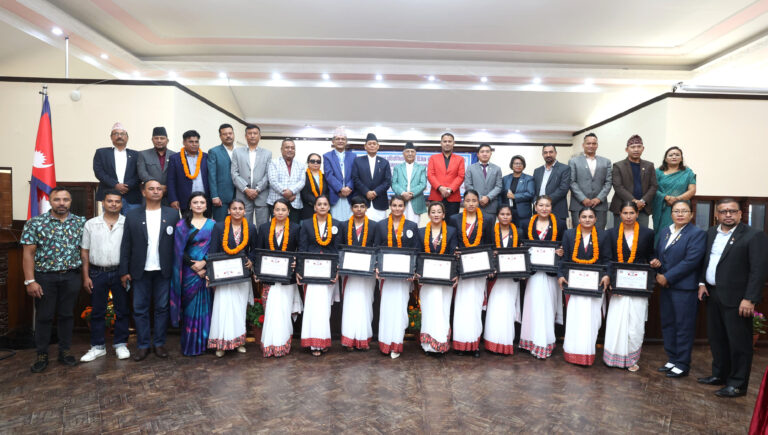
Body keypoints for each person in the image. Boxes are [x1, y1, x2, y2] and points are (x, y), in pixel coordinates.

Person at [697, 198, 768, 397]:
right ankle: (719, 375)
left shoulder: (754, 235)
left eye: (732, 211)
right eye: (723, 211)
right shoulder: (711, 233)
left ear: (740, 214)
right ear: (717, 215)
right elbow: (706, 261)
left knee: (739, 343)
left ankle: (737, 384)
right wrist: (702, 283)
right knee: (717, 339)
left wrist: (750, 298)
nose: (728, 215)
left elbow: (759, 270)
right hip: (713, 294)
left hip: (739, 299)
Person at [21, 186, 86, 373]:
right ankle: (42, 354)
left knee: (67, 315)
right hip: (45, 278)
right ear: (50, 201)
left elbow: (85, 251)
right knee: (44, 316)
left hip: (71, 276)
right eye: (57, 199)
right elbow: (28, 254)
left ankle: (64, 351)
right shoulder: (35, 223)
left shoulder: (80, 222)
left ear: (70, 202)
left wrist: (85, 276)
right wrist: (30, 281)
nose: (61, 203)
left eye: (65, 199)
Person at [120, 179, 180, 361]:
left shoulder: (172, 214)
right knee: (140, 309)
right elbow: (126, 245)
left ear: (163, 192)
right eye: (151, 189)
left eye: (159, 189)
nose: (155, 191)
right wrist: (124, 270)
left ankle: (159, 343)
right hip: (140, 271)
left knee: (162, 308)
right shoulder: (132, 215)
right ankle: (143, 345)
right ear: (143, 192)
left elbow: (177, 244)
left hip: (164, 270)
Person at [654, 200, 706, 378]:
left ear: (691, 214)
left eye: (684, 211)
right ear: (671, 214)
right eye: (676, 211)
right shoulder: (665, 232)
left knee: (683, 326)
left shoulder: (697, 234)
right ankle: (672, 358)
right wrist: (657, 267)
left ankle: (682, 363)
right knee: (668, 323)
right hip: (666, 287)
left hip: (684, 288)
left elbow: (691, 261)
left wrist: (667, 277)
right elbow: (661, 255)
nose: (680, 214)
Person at [603, 201, 657, 371]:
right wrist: (611, 280)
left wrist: (654, 261)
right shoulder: (610, 233)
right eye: (625, 213)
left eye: (631, 213)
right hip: (618, 285)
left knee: (635, 323)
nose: (628, 216)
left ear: (637, 214)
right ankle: (613, 357)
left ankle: (632, 359)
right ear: (619, 214)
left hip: (638, 285)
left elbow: (650, 255)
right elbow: (608, 259)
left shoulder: (648, 233)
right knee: (616, 322)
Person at [79, 190, 131, 362]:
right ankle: (98, 347)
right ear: (103, 203)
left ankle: (121, 344)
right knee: (97, 311)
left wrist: (127, 272)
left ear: (121, 204)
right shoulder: (91, 224)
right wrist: (86, 276)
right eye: (110, 201)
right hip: (97, 272)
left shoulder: (127, 223)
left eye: (117, 201)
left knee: (122, 310)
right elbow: (84, 251)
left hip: (120, 272)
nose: (113, 204)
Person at [558, 207, 612, 366]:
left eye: (590, 217)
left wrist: (607, 275)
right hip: (574, 284)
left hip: (595, 285)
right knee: (575, 318)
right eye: (584, 216)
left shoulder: (603, 235)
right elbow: (564, 258)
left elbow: (608, 259)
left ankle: (587, 354)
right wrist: (560, 275)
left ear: (596, 219)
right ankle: (572, 353)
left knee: (591, 320)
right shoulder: (569, 234)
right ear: (578, 218)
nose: (587, 220)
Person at [208, 199, 260, 357]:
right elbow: (213, 250)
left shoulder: (251, 227)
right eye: (234, 208)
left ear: (245, 211)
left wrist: (251, 260)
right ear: (228, 210)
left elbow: (255, 249)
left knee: (239, 308)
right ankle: (221, 344)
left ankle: (239, 342)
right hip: (223, 274)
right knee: (222, 307)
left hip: (242, 274)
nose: (237, 211)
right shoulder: (219, 227)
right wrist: (211, 273)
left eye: (240, 208)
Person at [448, 190, 495, 356]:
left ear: (478, 202)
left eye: (474, 200)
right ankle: (460, 345)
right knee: (461, 306)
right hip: (462, 269)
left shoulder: (487, 219)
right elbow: (452, 242)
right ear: (463, 202)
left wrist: (490, 266)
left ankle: (474, 344)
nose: (471, 204)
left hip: (479, 269)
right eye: (467, 200)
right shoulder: (455, 219)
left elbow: (490, 244)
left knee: (475, 306)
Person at [374, 195, 420, 358]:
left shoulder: (412, 226)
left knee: (400, 309)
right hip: (387, 277)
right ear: (390, 206)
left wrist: (412, 270)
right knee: (387, 309)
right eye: (394, 205)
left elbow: (416, 250)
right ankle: (385, 343)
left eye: (400, 205)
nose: (397, 208)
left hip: (403, 277)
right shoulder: (381, 225)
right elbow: (376, 248)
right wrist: (377, 267)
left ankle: (396, 344)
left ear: (404, 207)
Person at [519, 195, 564, 359]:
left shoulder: (560, 224)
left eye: (547, 206)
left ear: (551, 207)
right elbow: (522, 245)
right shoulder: (526, 223)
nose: (544, 209)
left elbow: (563, 245)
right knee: (533, 305)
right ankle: (531, 340)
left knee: (547, 306)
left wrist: (561, 251)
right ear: (535, 207)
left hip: (550, 274)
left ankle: (544, 342)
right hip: (533, 274)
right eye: (541, 205)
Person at [170, 192, 214, 356]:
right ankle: (191, 345)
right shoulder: (182, 225)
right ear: (189, 205)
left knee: (206, 308)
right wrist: (193, 265)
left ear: (206, 205)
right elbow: (178, 249)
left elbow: (215, 247)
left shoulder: (212, 224)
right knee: (189, 310)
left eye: (202, 202)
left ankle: (206, 344)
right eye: (195, 202)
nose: (199, 205)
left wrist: (205, 263)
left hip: (206, 271)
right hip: (188, 273)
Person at [256, 198, 302, 357]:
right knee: (271, 311)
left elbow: (300, 251)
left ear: (289, 211)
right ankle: (269, 345)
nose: (280, 212)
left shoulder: (296, 228)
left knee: (283, 311)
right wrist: (258, 272)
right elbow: (259, 251)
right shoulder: (264, 228)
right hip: (269, 277)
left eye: (283, 209)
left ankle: (282, 345)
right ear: (273, 211)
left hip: (287, 279)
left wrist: (296, 262)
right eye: (277, 209)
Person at [298, 195, 341, 356]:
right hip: (311, 272)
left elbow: (338, 250)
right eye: (319, 204)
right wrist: (300, 270)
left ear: (329, 207)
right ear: (315, 207)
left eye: (325, 204)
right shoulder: (306, 224)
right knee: (312, 306)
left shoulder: (336, 224)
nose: (322, 207)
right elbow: (302, 248)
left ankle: (322, 341)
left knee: (324, 308)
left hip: (328, 272)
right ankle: (311, 343)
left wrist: (336, 271)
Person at [417, 201, 458, 355]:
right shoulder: (421, 232)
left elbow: (454, 254)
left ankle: (441, 344)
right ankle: (428, 345)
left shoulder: (451, 231)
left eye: (439, 212)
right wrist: (417, 272)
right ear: (428, 214)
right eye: (433, 212)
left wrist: (455, 274)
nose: (436, 214)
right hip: (427, 279)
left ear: (444, 214)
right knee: (429, 310)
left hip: (445, 279)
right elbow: (417, 254)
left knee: (442, 309)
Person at [338, 196, 376, 350]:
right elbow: (340, 248)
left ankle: (362, 339)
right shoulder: (344, 226)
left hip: (367, 274)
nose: (359, 209)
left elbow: (376, 248)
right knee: (350, 304)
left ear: (366, 208)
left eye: (362, 206)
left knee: (365, 303)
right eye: (356, 206)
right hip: (350, 274)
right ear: (351, 208)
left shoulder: (374, 226)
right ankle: (349, 339)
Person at [483, 205, 521, 355]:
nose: (505, 217)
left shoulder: (518, 232)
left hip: (511, 278)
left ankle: (506, 343)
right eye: (502, 214)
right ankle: (491, 343)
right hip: (496, 278)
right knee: (495, 309)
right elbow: (486, 250)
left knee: (508, 309)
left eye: (508, 214)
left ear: (512, 216)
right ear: (497, 216)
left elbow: (522, 254)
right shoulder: (491, 232)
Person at [610, 135, 658, 227]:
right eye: (633, 147)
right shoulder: (618, 166)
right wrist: (634, 201)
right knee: (620, 234)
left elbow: (654, 186)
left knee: (642, 234)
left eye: (639, 147)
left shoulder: (649, 165)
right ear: (626, 149)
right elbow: (618, 187)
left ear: (643, 148)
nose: (636, 149)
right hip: (623, 207)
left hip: (642, 208)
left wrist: (642, 201)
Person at [93, 122, 141, 214]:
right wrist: (115, 185)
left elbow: (140, 174)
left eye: (122, 134)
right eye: (116, 134)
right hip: (109, 196)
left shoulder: (137, 154)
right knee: (110, 222)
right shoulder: (101, 153)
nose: (119, 136)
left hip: (132, 197)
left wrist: (127, 186)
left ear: (127, 137)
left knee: (132, 222)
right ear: (111, 137)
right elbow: (99, 172)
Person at [652, 146, 696, 244]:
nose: (674, 157)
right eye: (671, 155)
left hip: (681, 208)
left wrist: (677, 200)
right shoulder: (658, 172)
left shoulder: (688, 172)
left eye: (677, 155)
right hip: (663, 208)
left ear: (681, 158)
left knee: (681, 232)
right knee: (662, 233)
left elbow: (692, 190)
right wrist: (666, 197)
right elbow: (653, 188)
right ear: (665, 158)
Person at [568, 133, 612, 230]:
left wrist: (599, 198)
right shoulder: (574, 161)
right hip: (579, 204)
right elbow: (571, 181)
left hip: (600, 205)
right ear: (583, 145)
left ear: (597, 145)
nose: (591, 146)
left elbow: (608, 182)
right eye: (588, 143)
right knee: (578, 234)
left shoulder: (606, 162)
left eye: (594, 143)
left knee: (599, 234)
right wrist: (583, 199)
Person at [231, 124, 272, 226]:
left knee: (263, 226)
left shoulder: (267, 153)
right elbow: (234, 173)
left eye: (255, 133)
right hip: (243, 195)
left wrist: (257, 189)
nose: (252, 135)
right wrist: (246, 189)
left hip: (262, 195)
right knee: (244, 226)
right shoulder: (237, 152)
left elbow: (268, 174)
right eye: (249, 133)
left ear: (259, 136)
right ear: (245, 136)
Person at [351, 133, 392, 221]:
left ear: (378, 146)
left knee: (380, 227)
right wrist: (366, 192)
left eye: (374, 144)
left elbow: (387, 181)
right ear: (365, 146)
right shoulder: (357, 161)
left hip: (380, 202)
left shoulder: (384, 162)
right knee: (363, 226)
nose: (372, 146)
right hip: (362, 202)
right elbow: (355, 179)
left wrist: (375, 192)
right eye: (369, 144)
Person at [167, 130, 210, 211]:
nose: (194, 144)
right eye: (191, 142)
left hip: (205, 200)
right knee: (187, 219)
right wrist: (173, 199)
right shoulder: (175, 158)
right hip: (185, 200)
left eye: (196, 142)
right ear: (184, 142)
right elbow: (171, 180)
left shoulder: (206, 157)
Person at [427, 133, 465, 218]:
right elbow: (430, 175)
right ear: (441, 143)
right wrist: (440, 188)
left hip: (453, 197)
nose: (447, 143)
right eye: (445, 141)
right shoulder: (433, 158)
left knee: (452, 222)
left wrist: (450, 189)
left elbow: (461, 176)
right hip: (436, 196)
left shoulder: (460, 159)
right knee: (436, 222)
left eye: (449, 141)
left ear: (453, 143)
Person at [267, 139, 305, 222]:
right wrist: (286, 194)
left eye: (292, 148)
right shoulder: (273, 162)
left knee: (294, 228)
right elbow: (273, 181)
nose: (290, 150)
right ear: (281, 149)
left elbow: (302, 182)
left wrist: (291, 191)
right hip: (276, 202)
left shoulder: (301, 165)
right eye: (287, 147)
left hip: (294, 203)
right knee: (276, 228)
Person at [324, 127, 356, 222]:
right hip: (336, 194)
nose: (340, 141)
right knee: (335, 223)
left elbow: (355, 175)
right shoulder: (327, 156)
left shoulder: (353, 156)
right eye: (338, 139)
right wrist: (340, 189)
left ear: (346, 142)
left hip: (350, 194)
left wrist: (349, 187)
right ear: (333, 141)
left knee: (350, 223)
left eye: (343, 139)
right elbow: (329, 175)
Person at [137, 126, 175, 204]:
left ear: (167, 140)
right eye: (156, 138)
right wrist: (158, 186)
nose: (159, 140)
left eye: (162, 138)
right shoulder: (143, 154)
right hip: (150, 195)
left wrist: (168, 187)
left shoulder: (175, 155)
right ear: (152, 140)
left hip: (169, 195)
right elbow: (142, 173)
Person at [533, 145, 570, 225]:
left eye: (551, 152)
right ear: (542, 154)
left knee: (558, 232)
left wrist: (546, 202)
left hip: (557, 209)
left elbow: (563, 189)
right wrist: (536, 202)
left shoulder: (564, 168)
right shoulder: (537, 171)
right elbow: (534, 190)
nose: (548, 155)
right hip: (539, 211)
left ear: (555, 153)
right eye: (545, 152)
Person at [207, 123, 237, 222]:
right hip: (221, 197)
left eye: (230, 133)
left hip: (239, 195)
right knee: (221, 225)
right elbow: (211, 175)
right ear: (220, 136)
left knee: (238, 225)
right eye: (225, 134)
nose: (228, 136)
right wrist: (214, 196)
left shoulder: (240, 151)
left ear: (233, 134)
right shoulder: (214, 152)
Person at [391, 142, 427, 224]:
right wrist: (403, 193)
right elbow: (394, 184)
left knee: (414, 225)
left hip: (416, 200)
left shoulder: (421, 168)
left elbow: (423, 184)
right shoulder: (397, 168)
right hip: (400, 200)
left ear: (415, 153)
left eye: (412, 151)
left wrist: (410, 194)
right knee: (399, 224)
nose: (410, 154)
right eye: (407, 151)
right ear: (403, 154)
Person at [464, 144, 502, 215]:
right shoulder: (470, 168)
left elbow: (498, 186)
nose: (485, 154)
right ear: (478, 154)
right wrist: (479, 198)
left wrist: (488, 197)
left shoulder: (497, 169)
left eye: (487, 151)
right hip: (475, 205)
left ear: (491, 153)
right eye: (482, 152)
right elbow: (468, 185)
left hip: (491, 205)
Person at [500, 155, 536, 228]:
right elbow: (501, 194)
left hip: (523, 213)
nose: (518, 165)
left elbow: (531, 194)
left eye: (520, 163)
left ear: (523, 165)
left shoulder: (529, 178)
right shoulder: (505, 178)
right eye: (516, 163)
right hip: (508, 212)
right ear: (512, 165)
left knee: (523, 233)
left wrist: (515, 196)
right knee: (509, 232)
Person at [300, 153, 329, 221]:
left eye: (318, 161)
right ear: (308, 163)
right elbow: (304, 193)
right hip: (308, 209)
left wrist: (322, 203)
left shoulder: (325, 177)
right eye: (313, 161)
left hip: (323, 209)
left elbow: (327, 191)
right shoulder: (303, 176)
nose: (315, 163)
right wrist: (317, 203)